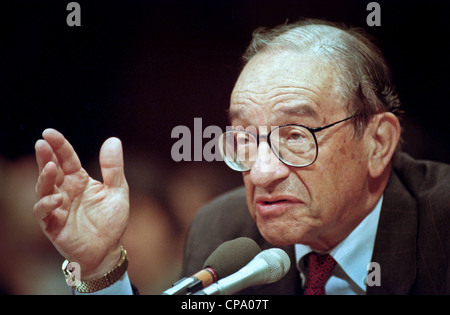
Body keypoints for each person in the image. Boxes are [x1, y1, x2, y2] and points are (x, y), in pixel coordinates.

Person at [33, 19, 450, 295]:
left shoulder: (442, 228)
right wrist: (101, 264)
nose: (262, 171)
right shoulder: (224, 230)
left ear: (377, 143)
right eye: (245, 139)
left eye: (295, 135)